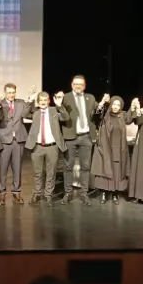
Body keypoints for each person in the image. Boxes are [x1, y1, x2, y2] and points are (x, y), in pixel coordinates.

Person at [59, 75, 98, 205]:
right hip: (70, 136)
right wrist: (59, 105)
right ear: (72, 85)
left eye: (80, 84)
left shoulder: (90, 98)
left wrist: (102, 104)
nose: (78, 86)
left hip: (86, 137)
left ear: (84, 86)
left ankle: (84, 194)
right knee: (68, 166)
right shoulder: (65, 97)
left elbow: (98, 112)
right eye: (76, 84)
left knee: (85, 167)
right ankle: (68, 193)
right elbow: (61, 116)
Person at [25, 91, 67, 205]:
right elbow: (24, 114)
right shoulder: (35, 113)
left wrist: (60, 106)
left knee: (51, 173)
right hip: (37, 147)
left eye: (45, 100)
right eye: (41, 100)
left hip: (52, 147)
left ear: (48, 101)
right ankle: (37, 194)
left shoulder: (54, 111)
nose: (43, 102)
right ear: (38, 102)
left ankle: (48, 195)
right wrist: (30, 100)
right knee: (37, 173)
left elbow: (65, 117)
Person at [0, 83, 32, 205]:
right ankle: (2, 193)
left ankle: (16, 192)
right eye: (9, 92)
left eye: (13, 92)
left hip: (18, 140)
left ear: (15, 92)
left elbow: (26, 114)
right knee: (2, 168)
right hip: (5, 140)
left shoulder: (20, 103)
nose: (11, 95)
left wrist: (30, 99)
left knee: (17, 168)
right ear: (5, 92)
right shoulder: (0, 103)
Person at [91, 94, 129, 204]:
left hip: (118, 148)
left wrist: (134, 106)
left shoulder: (122, 116)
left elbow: (131, 117)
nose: (115, 106)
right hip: (105, 147)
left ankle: (115, 194)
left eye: (118, 105)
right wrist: (103, 102)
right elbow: (96, 114)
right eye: (114, 104)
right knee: (104, 169)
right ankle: (103, 193)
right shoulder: (105, 115)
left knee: (116, 171)